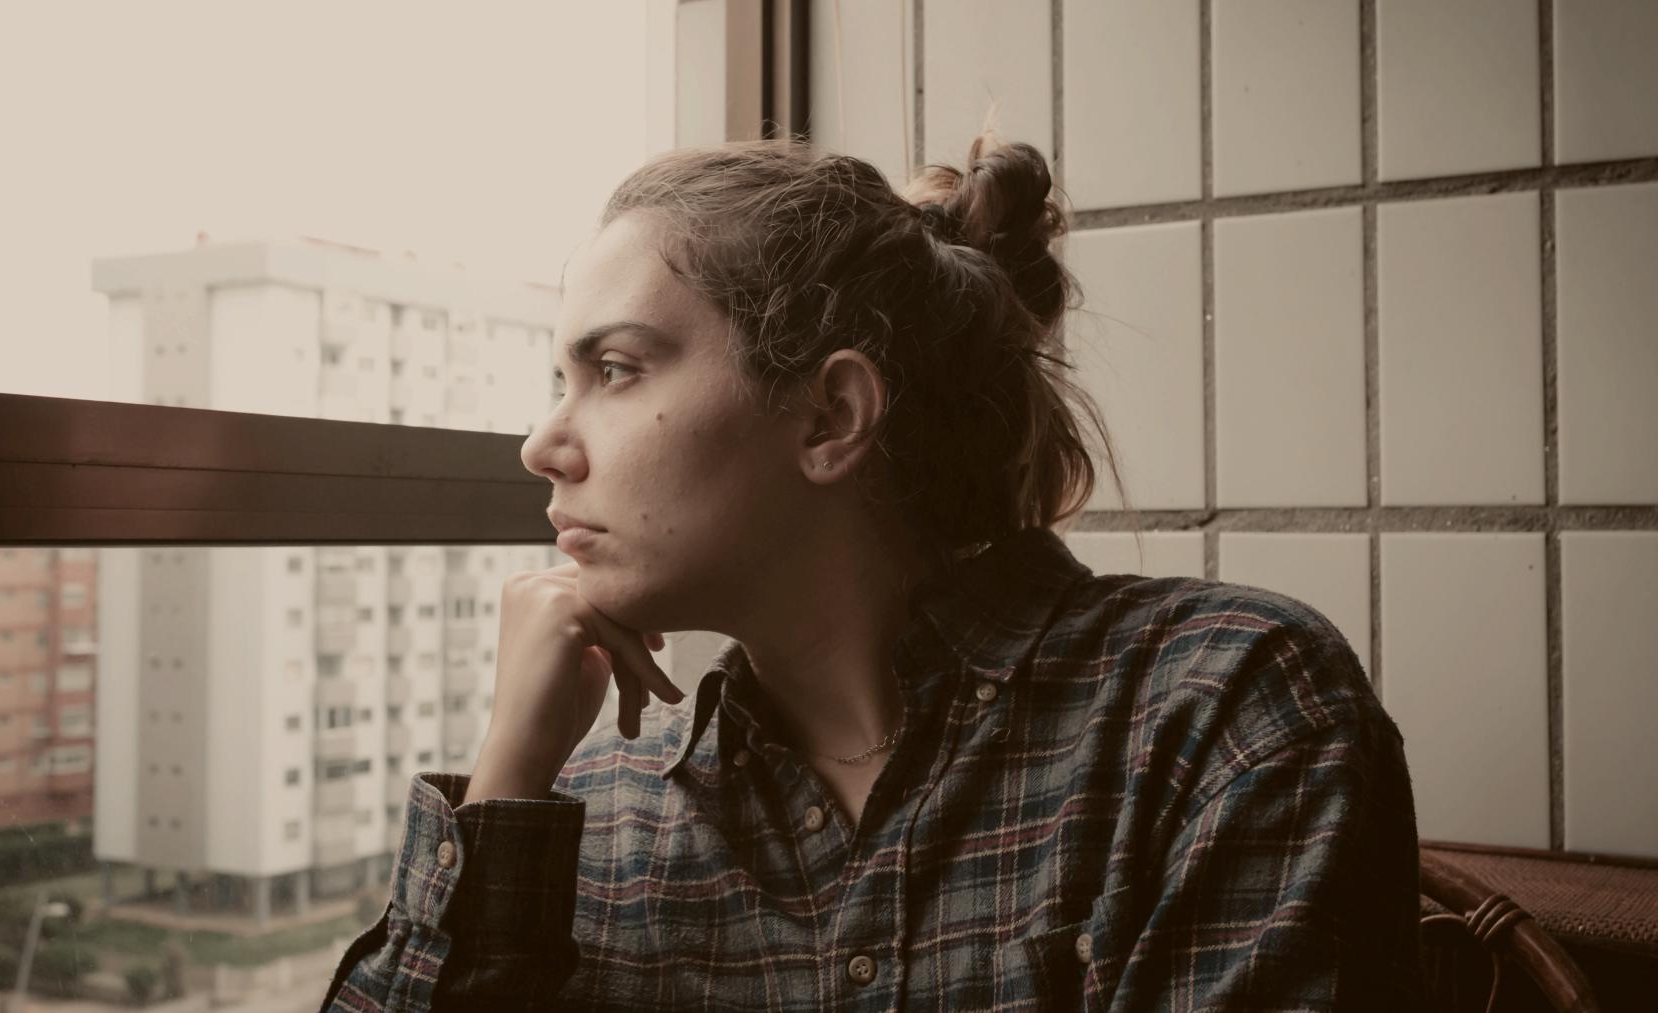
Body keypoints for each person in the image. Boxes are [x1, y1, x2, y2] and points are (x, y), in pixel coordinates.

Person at [321, 134, 1422, 1011]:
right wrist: (507, 781)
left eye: (614, 368)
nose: (543, 445)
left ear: (831, 414)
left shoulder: (1216, 713)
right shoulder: (597, 816)